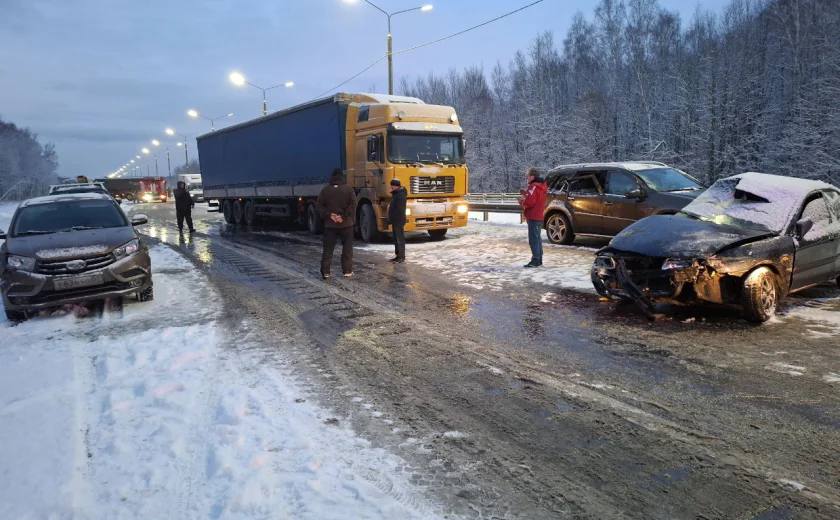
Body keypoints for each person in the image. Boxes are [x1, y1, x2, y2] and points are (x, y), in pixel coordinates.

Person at [316, 168, 357, 279]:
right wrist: (342, 216)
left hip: (330, 225)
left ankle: (326, 272)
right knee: (347, 249)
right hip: (346, 225)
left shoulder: (325, 190)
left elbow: (319, 206)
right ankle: (347, 271)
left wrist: (330, 215)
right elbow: (353, 205)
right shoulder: (349, 189)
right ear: (342, 177)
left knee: (328, 249)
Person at [519, 167, 547, 268]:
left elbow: (530, 201)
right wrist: (525, 193)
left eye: (528, 176)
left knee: (533, 239)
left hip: (533, 215)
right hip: (539, 215)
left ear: (532, 176)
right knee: (537, 238)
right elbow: (536, 198)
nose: (527, 177)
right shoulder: (541, 186)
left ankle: (535, 260)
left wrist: (522, 201)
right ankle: (539, 259)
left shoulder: (533, 187)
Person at [387, 178, 407, 263]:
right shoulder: (396, 194)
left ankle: (401, 257)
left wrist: (393, 219)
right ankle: (398, 255)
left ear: (396, 186)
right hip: (395, 220)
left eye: (392, 185)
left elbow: (399, 210)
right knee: (396, 238)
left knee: (399, 239)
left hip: (398, 220)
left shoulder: (400, 195)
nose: (391, 187)